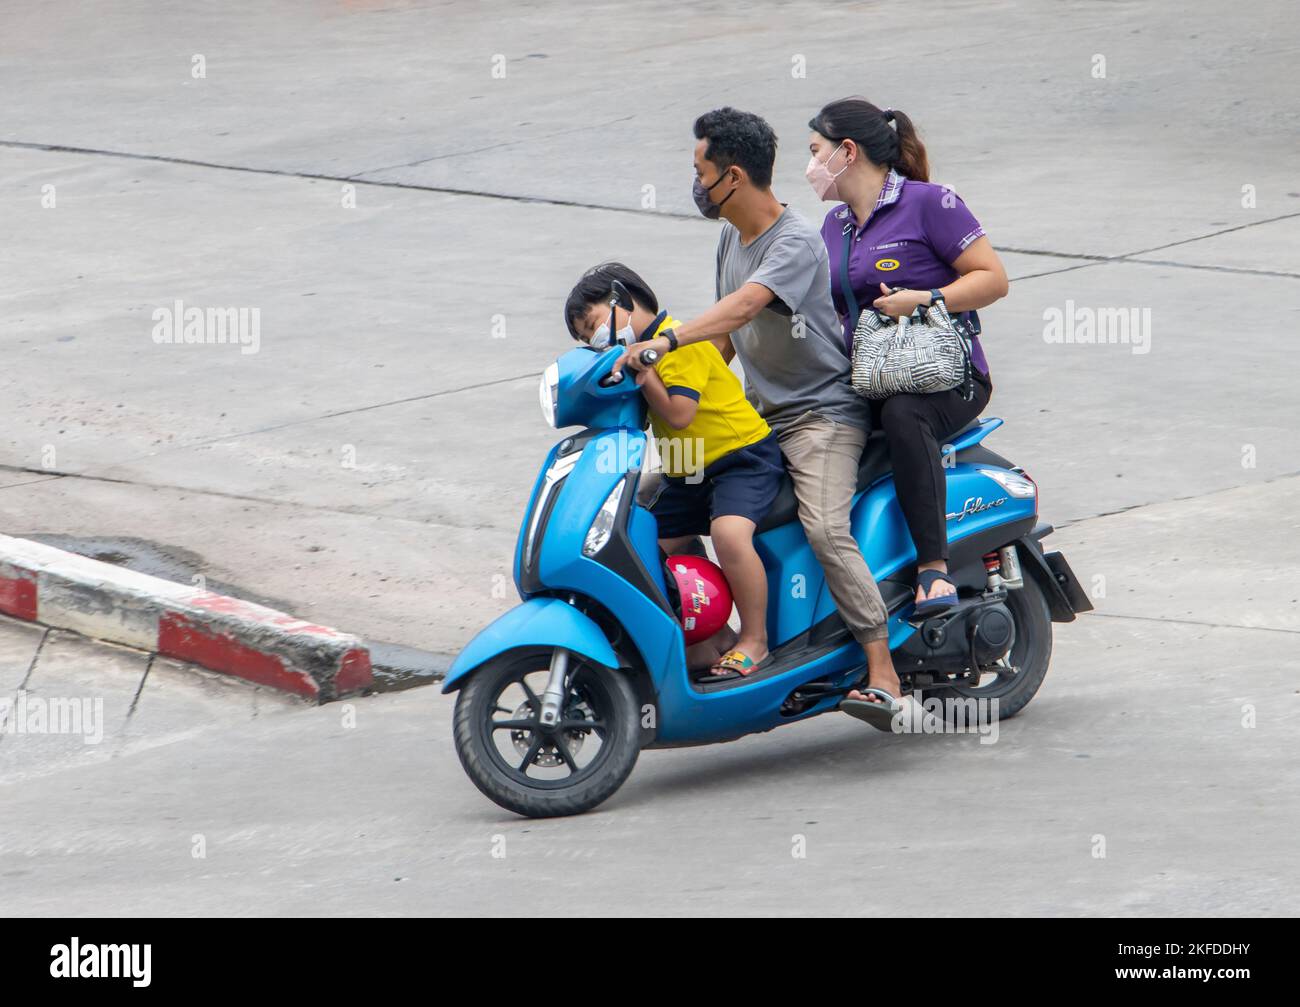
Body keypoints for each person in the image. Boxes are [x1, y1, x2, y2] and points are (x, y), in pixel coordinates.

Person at [617, 107, 909, 720]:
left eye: (701, 170)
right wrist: (663, 381)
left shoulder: (795, 241)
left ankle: (881, 672)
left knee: (826, 530)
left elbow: (744, 308)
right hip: (759, 415)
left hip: (821, 415)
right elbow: (724, 343)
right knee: (649, 505)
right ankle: (708, 635)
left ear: (734, 176)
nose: (695, 183)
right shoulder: (731, 235)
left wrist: (668, 343)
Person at [806, 98, 1009, 656]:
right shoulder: (834, 226)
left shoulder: (929, 205)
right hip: (869, 375)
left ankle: (933, 567)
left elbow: (993, 279)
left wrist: (928, 297)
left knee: (904, 412)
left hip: (947, 377)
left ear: (848, 152)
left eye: (816, 152)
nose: (811, 166)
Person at [565, 261, 784, 677]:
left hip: (742, 458)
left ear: (622, 303)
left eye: (593, 324)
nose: (594, 339)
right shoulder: (636, 356)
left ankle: (755, 640)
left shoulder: (680, 343)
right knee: (642, 540)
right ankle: (713, 636)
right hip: (689, 471)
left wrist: (645, 375)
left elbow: (680, 414)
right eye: (584, 338)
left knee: (729, 534)